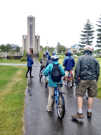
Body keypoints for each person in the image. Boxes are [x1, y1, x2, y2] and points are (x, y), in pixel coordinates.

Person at [72, 45, 100, 121]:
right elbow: (98, 71)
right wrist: (96, 79)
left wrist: (76, 80)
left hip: (83, 80)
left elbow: (77, 70)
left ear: (84, 51)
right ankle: (89, 112)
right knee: (91, 96)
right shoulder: (95, 59)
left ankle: (80, 114)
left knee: (80, 95)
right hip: (93, 80)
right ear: (91, 51)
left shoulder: (80, 58)